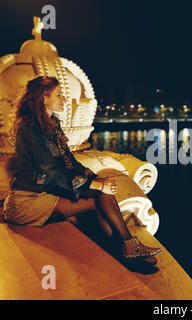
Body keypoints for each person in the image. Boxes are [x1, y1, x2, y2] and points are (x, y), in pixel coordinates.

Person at [3, 76, 162, 266]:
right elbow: (51, 170)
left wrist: (90, 175)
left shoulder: (51, 123)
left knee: (102, 194)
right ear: (43, 98)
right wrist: (95, 185)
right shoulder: (27, 128)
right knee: (98, 197)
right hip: (26, 201)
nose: (64, 99)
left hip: (46, 192)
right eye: (59, 95)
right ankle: (128, 248)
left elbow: (67, 159)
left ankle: (128, 248)